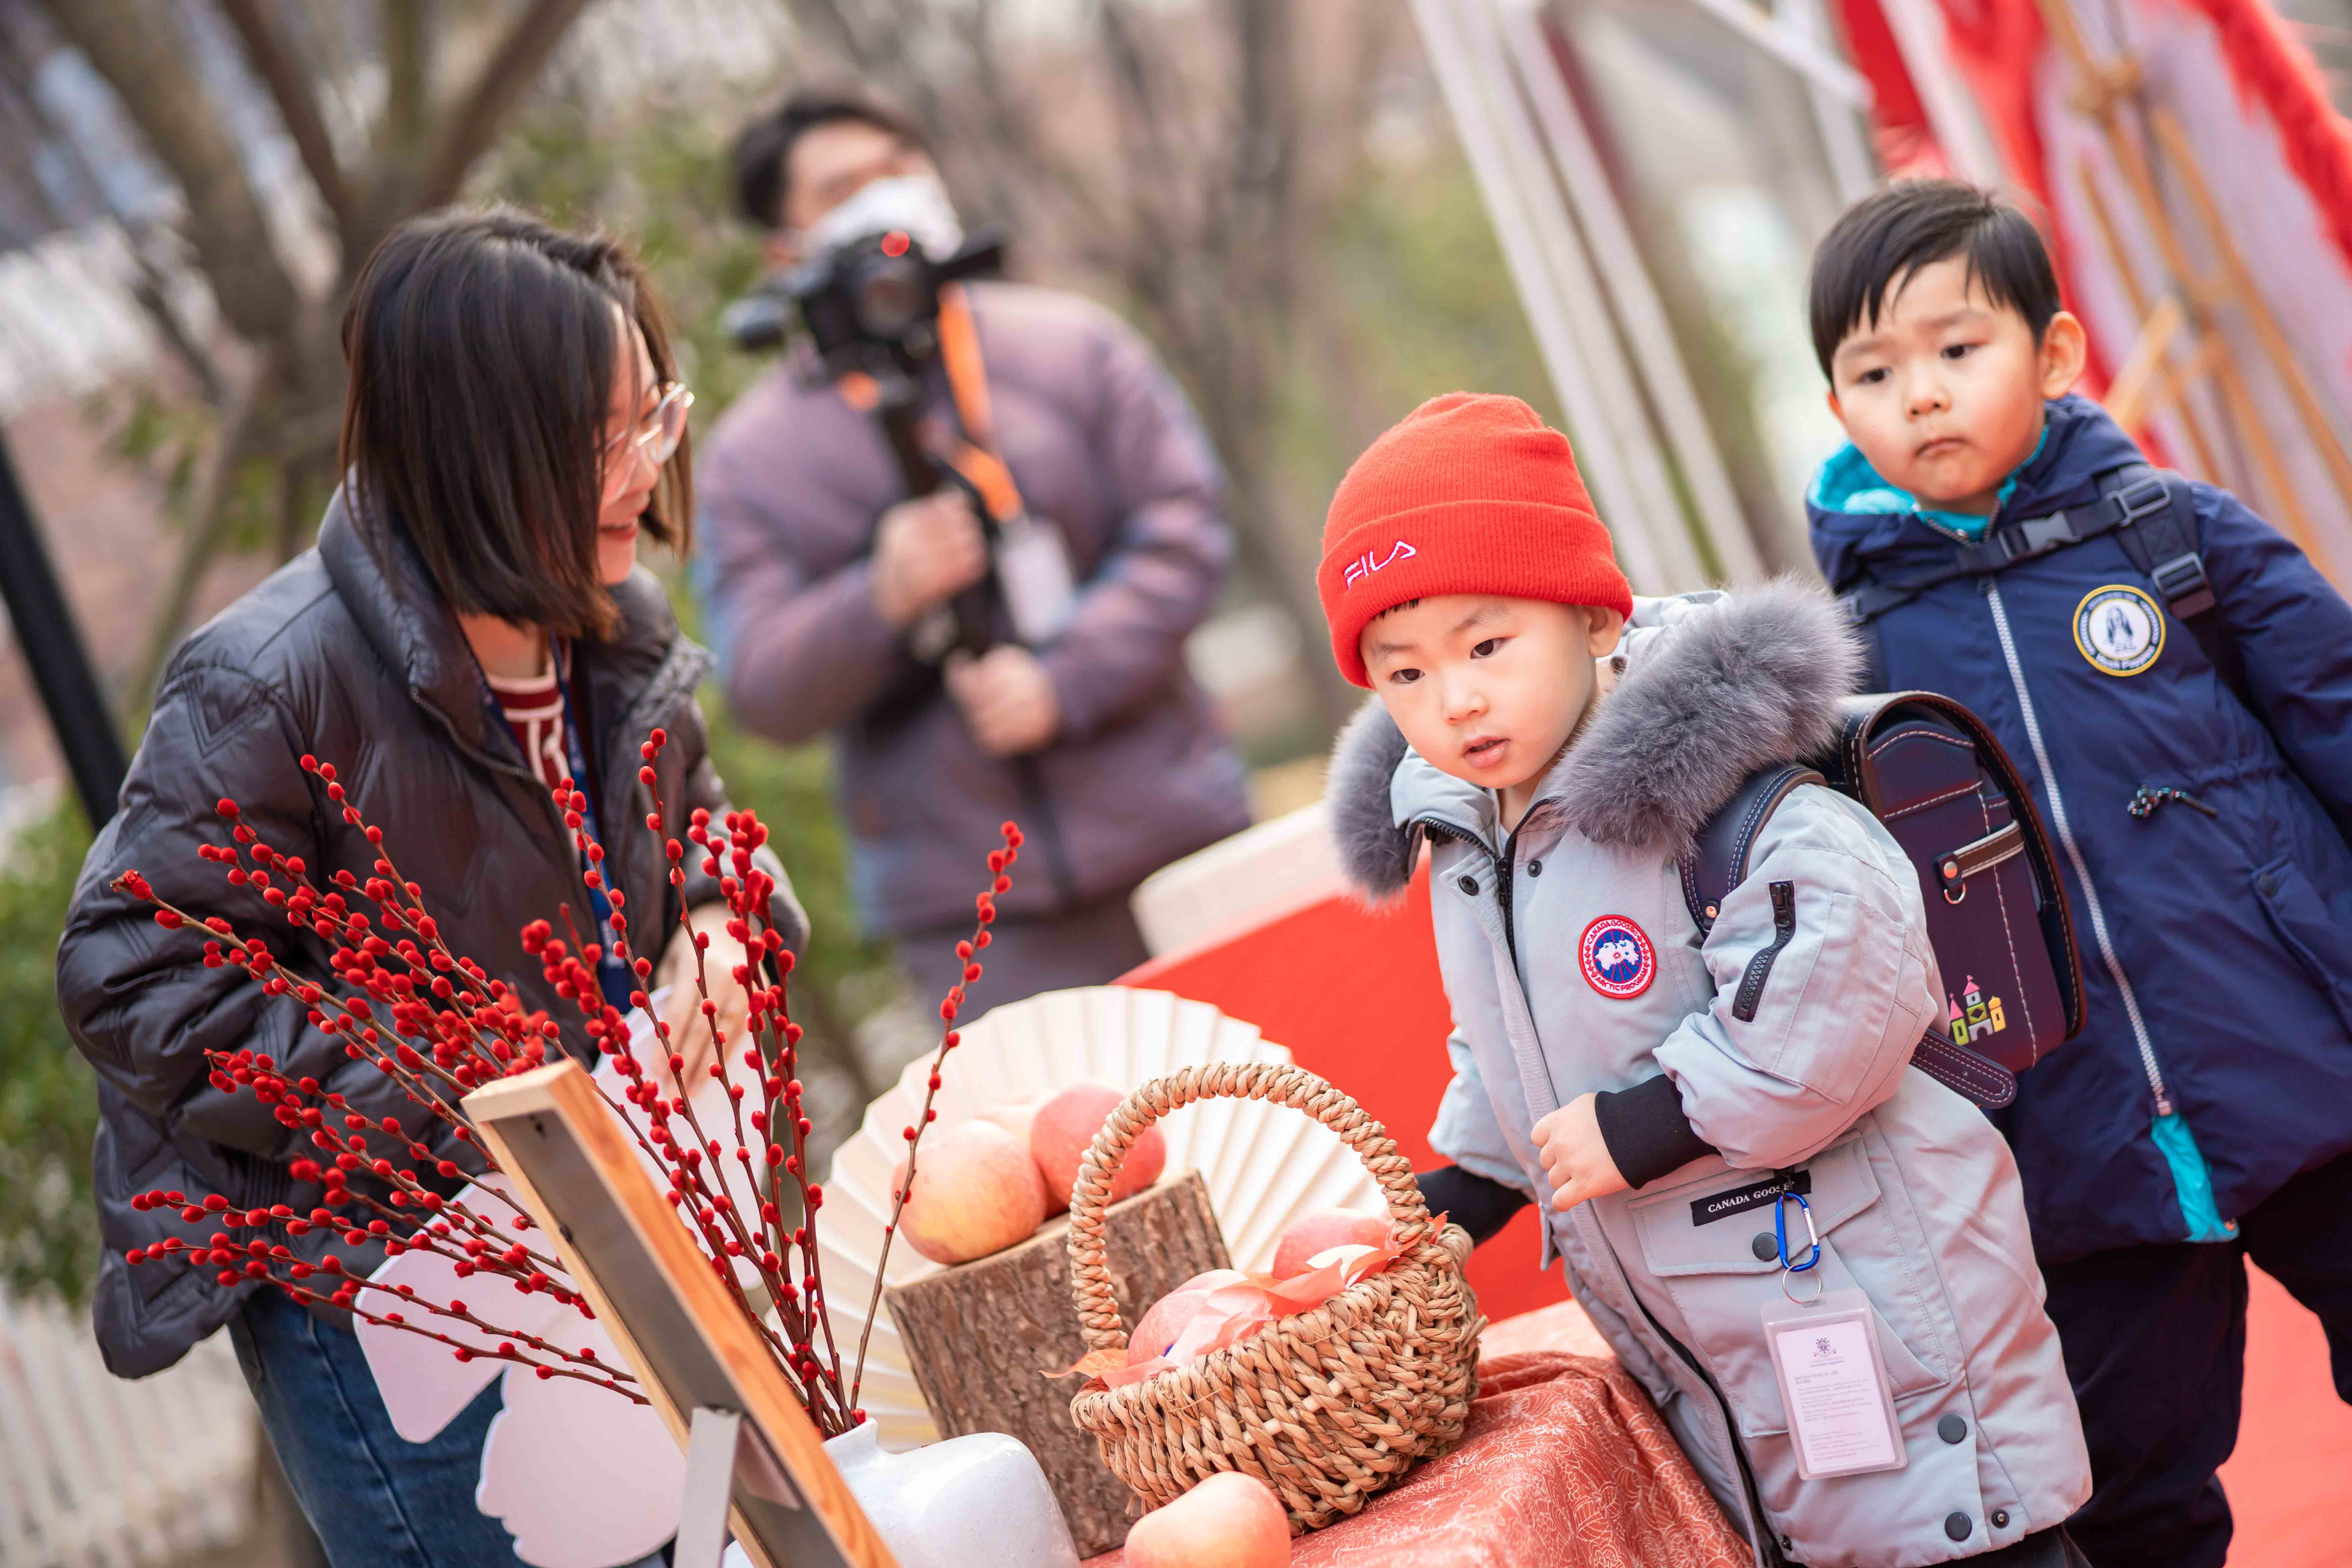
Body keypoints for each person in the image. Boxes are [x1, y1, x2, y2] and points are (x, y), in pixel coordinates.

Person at [55, 208, 801, 1568]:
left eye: (658, 416)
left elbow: (700, 827)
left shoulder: (609, 622)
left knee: (701, 1548)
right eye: (602, 441)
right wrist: (465, 1094)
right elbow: (133, 966)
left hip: (603, 1235)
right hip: (400, 1302)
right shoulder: (269, 678)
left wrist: (716, 926)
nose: (647, 467)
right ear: (476, 449)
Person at [1323, 393, 2092, 1566]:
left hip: (1872, 1292)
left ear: (1589, 618)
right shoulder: (1467, 836)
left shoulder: (1713, 780)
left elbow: (1855, 979)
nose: (1456, 700)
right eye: (1405, 675)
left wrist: (1651, 1121)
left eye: (1488, 647)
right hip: (1730, 1340)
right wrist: (1468, 1192)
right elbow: (1516, 1045)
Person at [1802, 179, 2352, 1568]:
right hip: (2067, 1127)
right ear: (1837, 406)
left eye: (1955, 349)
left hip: (2301, 1059)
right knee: (2131, 1489)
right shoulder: (1846, 664)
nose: (1919, 395)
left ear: (2052, 357)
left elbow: (2338, 711)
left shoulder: (2174, 537)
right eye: (1875, 371)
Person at [698, 89, 1250, 1004]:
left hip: (1178, 835)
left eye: (897, 169)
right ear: (783, 251)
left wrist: (1064, 680)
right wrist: (878, 598)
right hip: (978, 915)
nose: (885, 198)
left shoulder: (1072, 347)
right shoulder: (751, 463)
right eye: (844, 190)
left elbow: (1185, 528)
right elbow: (760, 684)